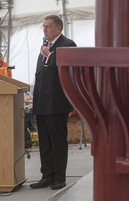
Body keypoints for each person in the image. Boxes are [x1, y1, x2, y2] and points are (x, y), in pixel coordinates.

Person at [30, 14, 77, 190]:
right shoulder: (45, 46)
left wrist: (49, 55)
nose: (44, 29)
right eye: (43, 27)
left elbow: (68, 68)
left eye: (47, 26)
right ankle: (47, 175)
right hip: (42, 103)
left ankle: (59, 177)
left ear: (58, 28)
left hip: (56, 104)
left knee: (57, 142)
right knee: (45, 142)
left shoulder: (68, 44)